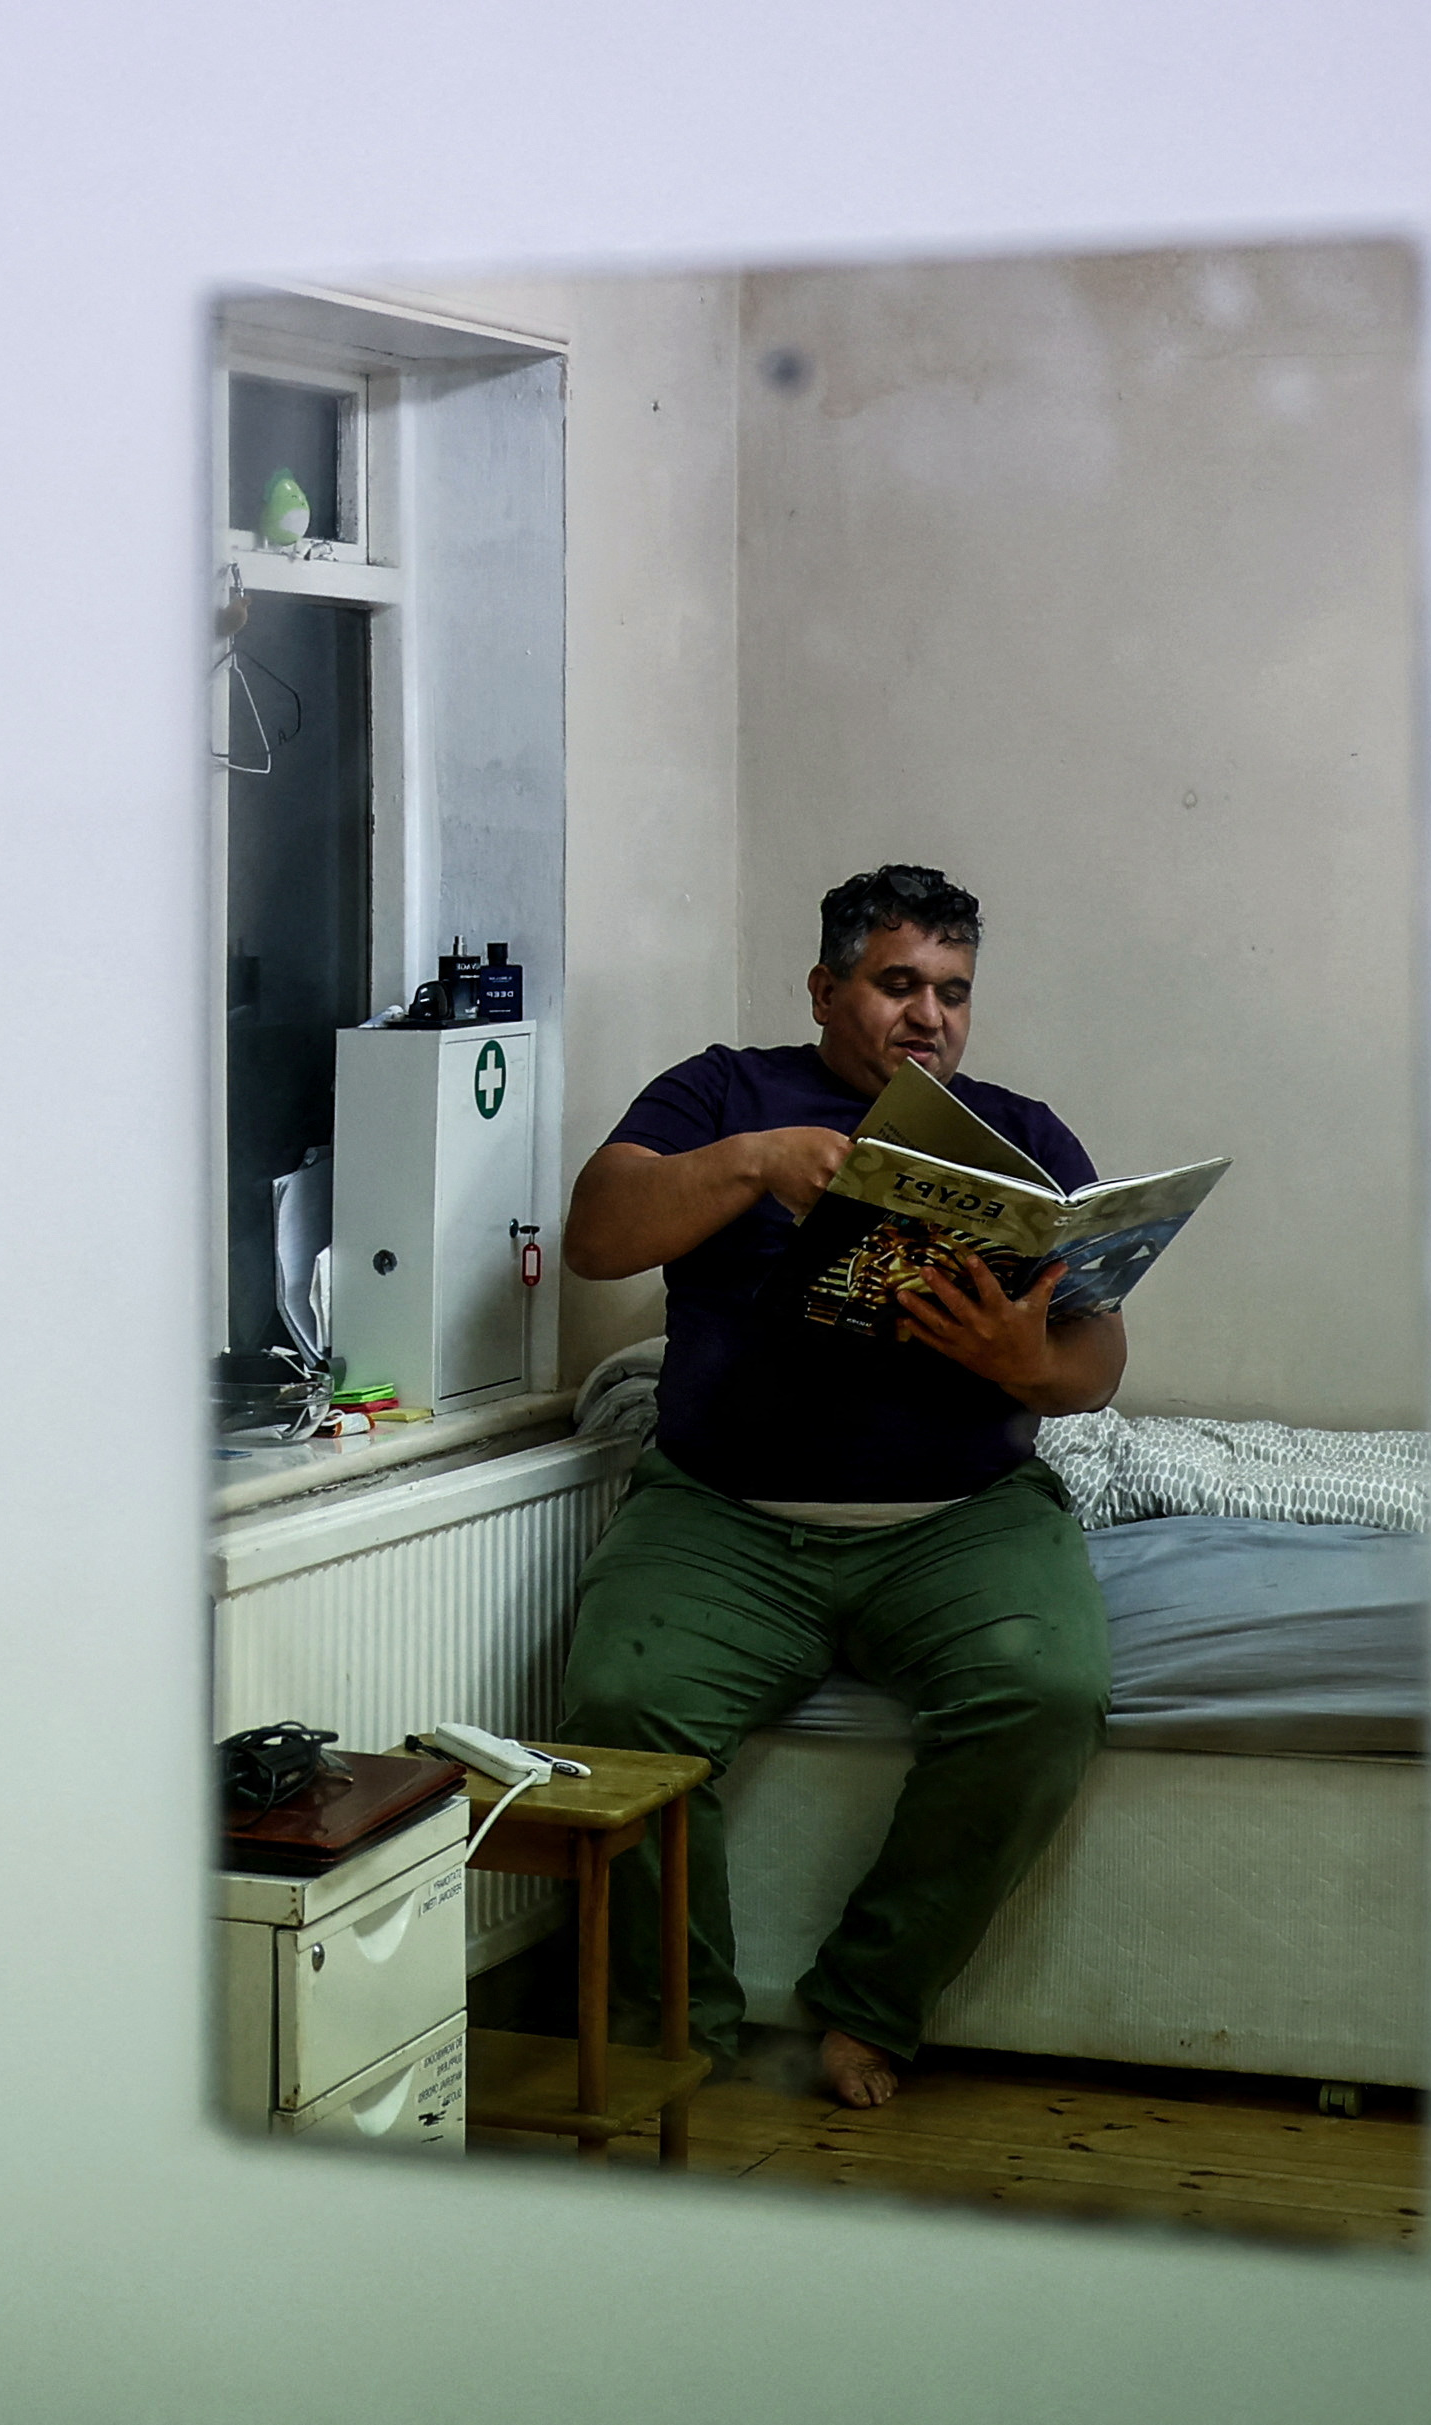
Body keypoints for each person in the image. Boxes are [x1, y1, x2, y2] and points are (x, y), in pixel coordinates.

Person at [548, 861, 1118, 2109]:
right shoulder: (722, 1093)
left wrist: (1027, 1362)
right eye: (898, 984)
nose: (930, 1017)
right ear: (824, 989)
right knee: (619, 1705)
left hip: (958, 1518)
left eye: (954, 993)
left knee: (1050, 1694)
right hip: (725, 1514)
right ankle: (674, 2025)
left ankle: (872, 2001)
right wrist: (752, 1163)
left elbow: (1098, 1361)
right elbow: (594, 1238)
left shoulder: (1022, 1138)